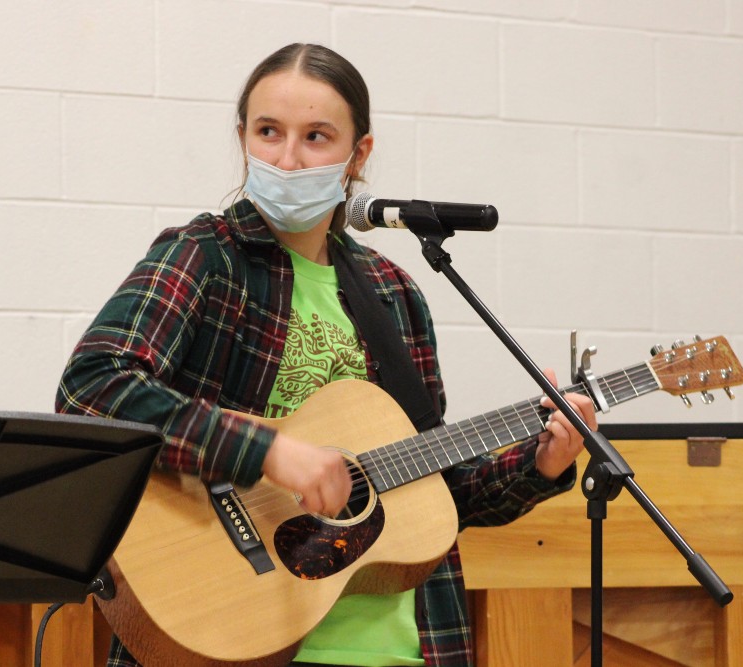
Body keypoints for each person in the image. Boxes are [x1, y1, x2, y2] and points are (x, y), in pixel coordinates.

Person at [56, 43, 597, 667]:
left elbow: (432, 493)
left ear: (357, 154)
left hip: (397, 649)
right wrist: (266, 451)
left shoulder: (394, 294)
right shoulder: (206, 256)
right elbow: (93, 386)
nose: (287, 159)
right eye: (268, 132)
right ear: (242, 138)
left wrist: (542, 463)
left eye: (316, 137)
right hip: (233, 633)